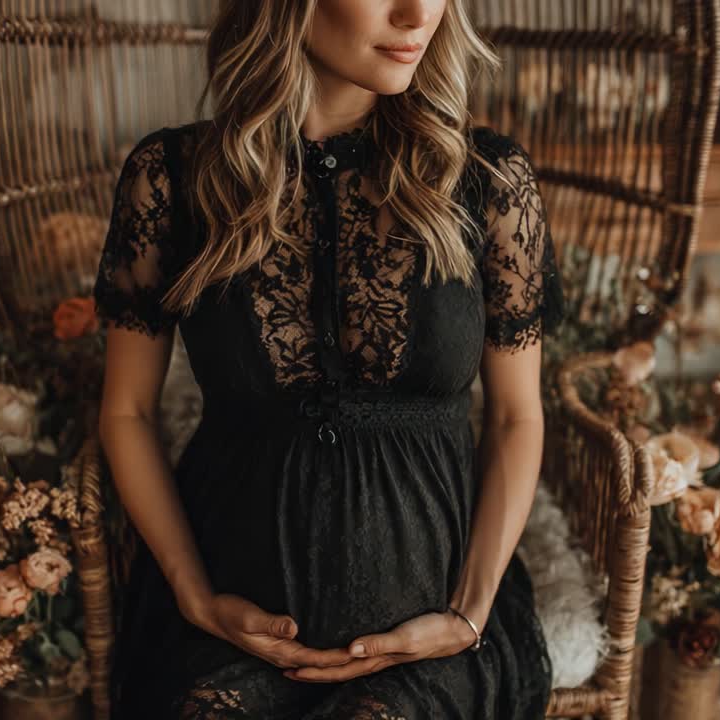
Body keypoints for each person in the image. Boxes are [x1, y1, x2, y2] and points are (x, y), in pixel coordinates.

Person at [93, 0, 565, 717]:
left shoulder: (488, 179)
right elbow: (127, 410)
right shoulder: (173, 176)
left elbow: (515, 417)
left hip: (434, 628)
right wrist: (193, 595)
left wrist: (470, 612)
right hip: (227, 615)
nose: (418, 15)